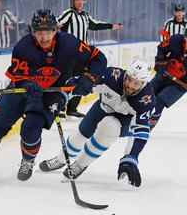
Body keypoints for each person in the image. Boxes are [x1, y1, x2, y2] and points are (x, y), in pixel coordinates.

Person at [0, 9, 107, 181]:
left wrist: (89, 77)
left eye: (47, 32)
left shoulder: (70, 44)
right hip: (23, 89)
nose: (43, 37)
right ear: (33, 31)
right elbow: (19, 78)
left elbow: (98, 58)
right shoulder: (23, 47)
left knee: (31, 127)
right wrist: (28, 84)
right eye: (39, 32)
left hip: (53, 92)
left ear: (56, 30)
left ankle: (28, 161)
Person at [39, 59, 156, 187]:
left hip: (124, 121)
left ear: (143, 83)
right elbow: (83, 84)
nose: (130, 85)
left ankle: (80, 164)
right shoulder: (112, 76)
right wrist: (63, 95)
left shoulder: (147, 100)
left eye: (136, 83)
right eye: (128, 79)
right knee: (79, 136)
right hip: (102, 108)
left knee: (109, 128)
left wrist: (131, 158)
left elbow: (140, 132)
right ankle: (61, 159)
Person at [57, 0, 123, 118]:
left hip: (84, 55)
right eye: (77, 0)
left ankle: (72, 108)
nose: (80, 2)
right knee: (66, 77)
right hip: (69, 53)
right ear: (73, 2)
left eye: (82, 0)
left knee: (83, 79)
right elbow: (57, 23)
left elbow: (96, 25)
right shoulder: (69, 13)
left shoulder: (86, 16)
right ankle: (60, 107)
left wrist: (112, 26)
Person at [150, 33, 187, 130]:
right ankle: (133, 117)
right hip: (164, 73)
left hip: (180, 84)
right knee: (146, 92)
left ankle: (149, 125)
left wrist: (176, 77)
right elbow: (161, 48)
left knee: (160, 101)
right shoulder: (175, 39)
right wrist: (161, 63)